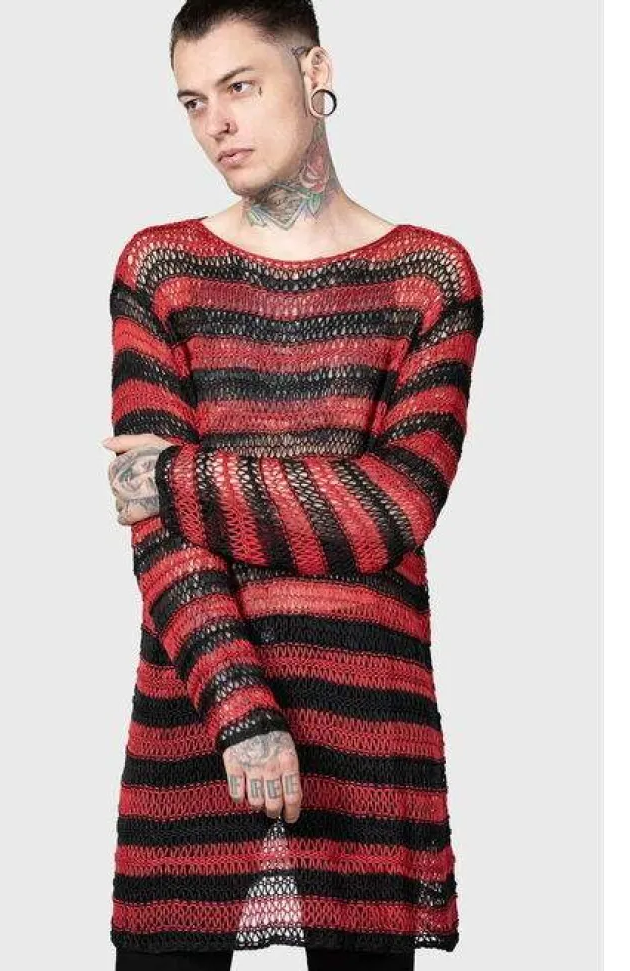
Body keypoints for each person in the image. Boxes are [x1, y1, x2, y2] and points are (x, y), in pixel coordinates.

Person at [101, 1, 484, 968]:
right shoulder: (161, 270)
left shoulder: (430, 278)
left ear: (315, 73)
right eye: (193, 101)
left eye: (240, 86)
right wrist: (243, 709)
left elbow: (394, 510)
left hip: (367, 730)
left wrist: (177, 473)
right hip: (197, 715)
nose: (216, 125)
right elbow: (160, 540)